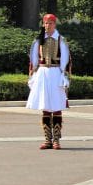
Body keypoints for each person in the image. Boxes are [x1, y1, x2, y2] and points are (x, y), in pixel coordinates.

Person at [26, 13, 70, 150]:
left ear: (54, 24)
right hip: (43, 73)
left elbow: (67, 60)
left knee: (56, 108)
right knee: (45, 108)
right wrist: (32, 75)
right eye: (45, 23)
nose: (47, 26)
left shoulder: (61, 40)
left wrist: (65, 76)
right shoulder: (39, 40)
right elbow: (33, 60)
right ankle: (47, 139)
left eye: (50, 23)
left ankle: (56, 139)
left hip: (56, 74)